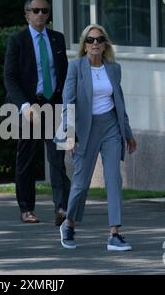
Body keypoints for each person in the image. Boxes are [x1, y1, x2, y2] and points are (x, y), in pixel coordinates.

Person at [58, 24, 137, 251]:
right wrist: (69, 133)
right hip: (85, 129)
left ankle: (115, 233)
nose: (95, 44)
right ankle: (69, 223)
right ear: (84, 45)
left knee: (114, 179)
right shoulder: (75, 67)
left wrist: (128, 133)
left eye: (99, 40)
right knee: (81, 184)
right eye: (90, 40)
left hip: (111, 126)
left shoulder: (114, 68)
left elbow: (119, 102)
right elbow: (68, 102)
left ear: (105, 44)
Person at [4, 0, 70, 225]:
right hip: (28, 107)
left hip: (53, 104)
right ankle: (26, 208)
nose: (41, 14)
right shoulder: (18, 40)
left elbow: (63, 75)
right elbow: (10, 78)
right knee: (27, 160)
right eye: (36, 10)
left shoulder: (57, 39)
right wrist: (24, 105)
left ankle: (62, 207)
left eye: (45, 11)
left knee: (58, 158)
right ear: (27, 15)